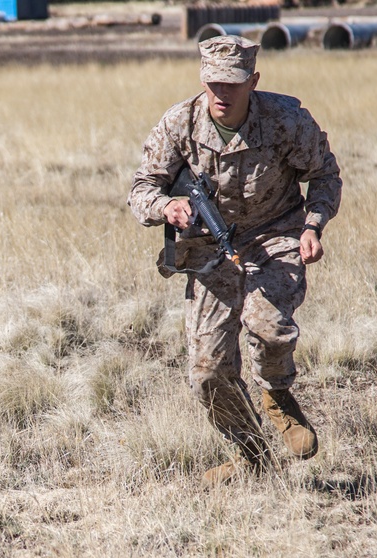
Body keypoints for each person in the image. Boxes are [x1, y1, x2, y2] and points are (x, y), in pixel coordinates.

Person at [128, 36, 342, 486]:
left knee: (269, 326)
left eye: (233, 84)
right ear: (202, 79)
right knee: (207, 372)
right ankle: (250, 455)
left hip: (276, 235)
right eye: (213, 83)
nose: (222, 94)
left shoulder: (286, 120)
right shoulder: (179, 124)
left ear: (254, 81)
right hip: (208, 250)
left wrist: (312, 226)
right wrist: (166, 208)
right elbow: (143, 186)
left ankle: (277, 395)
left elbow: (323, 174)